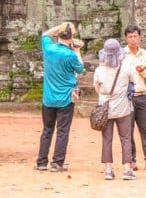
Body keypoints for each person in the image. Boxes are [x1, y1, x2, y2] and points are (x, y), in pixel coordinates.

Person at [35, 22, 85, 172]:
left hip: (48, 98)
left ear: (59, 35)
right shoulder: (70, 55)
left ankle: (41, 162)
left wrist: (59, 27)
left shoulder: (49, 49)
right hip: (65, 98)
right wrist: (77, 50)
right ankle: (57, 162)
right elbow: (80, 68)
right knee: (62, 131)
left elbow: (45, 35)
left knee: (47, 129)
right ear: (71, 38)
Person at [94, 38, 135, 181]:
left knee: (107, 139)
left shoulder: (99, 70)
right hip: (123, 108)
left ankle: (108, 170)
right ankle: (127, 170)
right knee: (126, 138)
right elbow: (132, 81)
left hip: (106, 109)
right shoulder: (126, 67)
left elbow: (97, 88)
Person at [123, 24, 146, 170]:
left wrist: (142, 71)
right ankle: (131, 160)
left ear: (139, 37)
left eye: (135, 36)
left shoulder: (144, 54)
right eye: (130, 36)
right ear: (126, 38)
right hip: (127, 96)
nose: (133, 39)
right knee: (128, 129)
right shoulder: (122, 54)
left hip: (141, 95)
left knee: (145, 129)